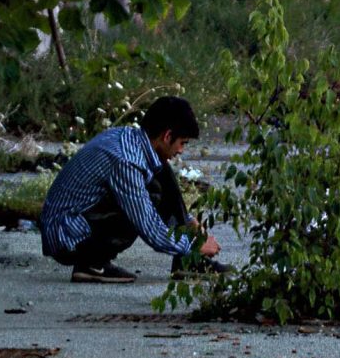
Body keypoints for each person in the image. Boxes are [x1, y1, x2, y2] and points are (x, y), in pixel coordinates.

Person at [39, 96, 221, 283]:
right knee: (150, 193)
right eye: (182, 143)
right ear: (167, 136)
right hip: (67, 236)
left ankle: (187, 262)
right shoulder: (127, 162)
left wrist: (189, 223)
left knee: (161, 169)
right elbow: (150, 228)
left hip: (74, 220)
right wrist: (193, 245)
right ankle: (92, 263)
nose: (181, 150)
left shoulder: (130, 137)